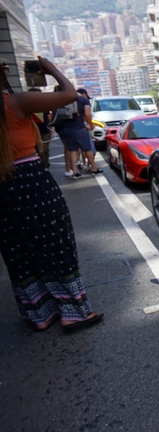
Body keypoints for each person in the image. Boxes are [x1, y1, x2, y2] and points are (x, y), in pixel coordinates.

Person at [0, 56, 103, 332]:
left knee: (17, 247)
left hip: (3, 187)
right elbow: (68, 94)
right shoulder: (15, 103)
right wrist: (50, 69)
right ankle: (74, 311)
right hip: (30, 181)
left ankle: (40, 312)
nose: (8, 68)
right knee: (55, 240)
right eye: (3, 65)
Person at [54, 86, 102, 178]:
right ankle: (94, 169)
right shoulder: (83, 100)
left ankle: (75, 172)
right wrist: (90, 124)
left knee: (73, 150)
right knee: (87, 149)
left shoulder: (63, 100)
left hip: (67, 129)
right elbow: (87, 114)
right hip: (79, 128)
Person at [28, 87, 53, 169]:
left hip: (44, 130)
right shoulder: (27, 106)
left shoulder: (44, 105)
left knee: (45, 149)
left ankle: (45, 164)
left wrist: (51, 128)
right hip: (32, 132)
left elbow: (49, 116)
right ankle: (39, 165)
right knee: (36, 149)